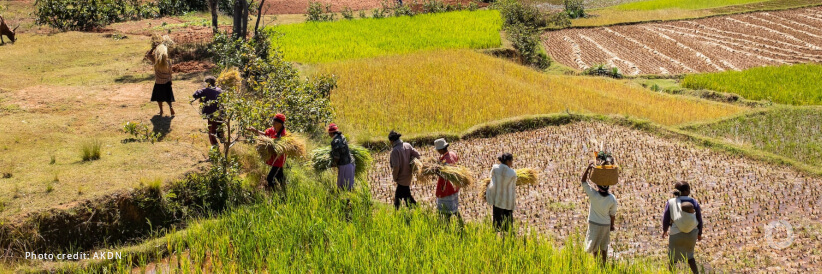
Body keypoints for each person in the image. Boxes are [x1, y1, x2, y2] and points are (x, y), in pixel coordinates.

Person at [580, 162, 618, 267]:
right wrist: (612, 225)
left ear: (598, 186)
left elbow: (583, 181)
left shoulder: (593, 194)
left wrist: (588, 168)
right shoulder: (612, 199)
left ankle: (597, 264)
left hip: (594, 224)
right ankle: (604, 264)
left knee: (595, 246)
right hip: (605, 225)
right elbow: (612, 214)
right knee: (604, 246)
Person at [662, 182, 704, 274]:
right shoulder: (693, 201)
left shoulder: (671, 202)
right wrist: (699, 233)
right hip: (692, 234)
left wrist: (665, 230)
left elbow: (666, 218)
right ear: (686, 191)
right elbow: (699, 219)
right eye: (689, 189)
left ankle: (672, 272)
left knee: (673, 258)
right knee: (690, 256)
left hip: (676, 234)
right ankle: (696, 273)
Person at [247, 113, 288, 192]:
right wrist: (254, 130)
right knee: (280, 177)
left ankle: (274, 193)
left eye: (275, 122)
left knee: (270, 178)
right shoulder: (272, 129)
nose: (273, 123)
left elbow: (282, 147)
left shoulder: (283, 135)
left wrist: (272, 144)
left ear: (280, 124)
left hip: (279, 159)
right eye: (273, 122)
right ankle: (284, 191)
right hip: (274, 157)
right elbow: (265, 134)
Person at [485, 153, 517, 232]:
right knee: (508, 220)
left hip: (498, 199)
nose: (512, 163)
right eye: (511, 161)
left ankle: (496, 236)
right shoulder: (512, 173)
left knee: (497, 219)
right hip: (507, 200)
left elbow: (491, 176)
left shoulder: (495, 168)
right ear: (508, 161)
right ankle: (507, 235)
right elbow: (513, 185)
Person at [388, 131, 420, 209]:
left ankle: (398, 212)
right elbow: (418, 155)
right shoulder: (407, 145)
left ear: (392, 141)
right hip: (408, 175)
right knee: (406, 195)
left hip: (401, 178)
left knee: (399, 198)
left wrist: (395, 177)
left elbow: (396, 167)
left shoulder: (395, 151)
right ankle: (413, 208)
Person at [433, 138, 461, 221]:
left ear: (441, 149)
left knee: (445, 207)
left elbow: (445, 175)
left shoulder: (445, 161)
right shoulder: (452, 154)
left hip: (447, 186)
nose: (438, 152)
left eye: (438, 150)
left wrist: (436, 171)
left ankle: (446, 223)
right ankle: (459, 221)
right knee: (454, 206)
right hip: (454, 185)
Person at [191, 76, 223, 147]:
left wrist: (199, 90)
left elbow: (195, 95)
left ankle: (215, 145)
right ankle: (222, 139)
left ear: (207, 83)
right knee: (219, 127)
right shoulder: (219, 90)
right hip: (220, 112)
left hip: (211, 113)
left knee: (211, 130)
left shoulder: (205, 90)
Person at [328, 123, 355, 191]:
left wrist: (334, 163)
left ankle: (345, 198)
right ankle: (349, 197)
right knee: (350, 183)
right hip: (351, 162)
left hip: (344, 164)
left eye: (329, 133)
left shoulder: (335, 142)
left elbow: (337, 156)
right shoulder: (342, 137)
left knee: (342, 185)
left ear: (331, 133)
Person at [150, 44, 175, 116]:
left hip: (158, 82)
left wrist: (153, 48)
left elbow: (148, 55)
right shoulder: (168, 62)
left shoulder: (156, 61)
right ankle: (171, 108)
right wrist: (171, 80)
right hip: (167, 81)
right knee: (168, 97)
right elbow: (170, 72)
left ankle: (161, 111)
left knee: (159, 97)